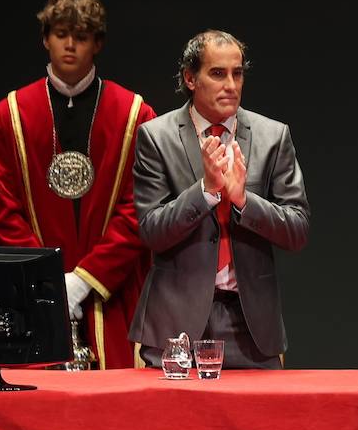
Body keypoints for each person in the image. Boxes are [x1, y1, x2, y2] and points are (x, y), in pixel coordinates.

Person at [0, 0, 156, 369]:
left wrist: (84, 280)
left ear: (98, 43)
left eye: (81, 36)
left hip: (115, 294)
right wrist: (49, 280)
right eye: (61, 34)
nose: (70, 45)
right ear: (45, 39)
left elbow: (139, 209)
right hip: (36, 295)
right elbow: (4, 212)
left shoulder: (135, 115)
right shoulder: (7, 116)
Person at [129, 30, 310, 368]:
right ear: (190, 78)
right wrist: (205, 193)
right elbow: (151, 230)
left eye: (237, 73)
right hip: (176, 322)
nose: (231, 85)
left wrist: (244, 200)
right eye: (217, 73)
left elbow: (297, 230)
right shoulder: (156, 137)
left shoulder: (273, 136)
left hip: (251, 327)